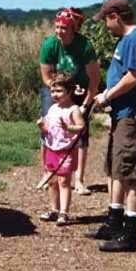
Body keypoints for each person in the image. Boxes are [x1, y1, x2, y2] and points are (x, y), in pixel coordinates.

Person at [91, 0, 136, 252]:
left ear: (115, 16)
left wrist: (107, 95)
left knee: (131, 172)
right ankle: (114, 222)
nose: (106, 26)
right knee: (117, 168)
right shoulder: (126, 40)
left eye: (106, 20)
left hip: (134, 115)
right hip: (122, 113)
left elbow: (133, 77)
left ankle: (130, 235)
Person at [38, 7, 100, 194]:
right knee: (48, 129)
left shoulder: (85, 46)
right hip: (55, 87)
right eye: (57, 27)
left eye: (64, 28)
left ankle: (79, 179)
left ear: (74, 29)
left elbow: (94, 79)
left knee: (81, 133)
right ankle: (48, 172)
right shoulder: (50, 45)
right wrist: (59, 91)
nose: (59, 31)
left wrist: (86, 104)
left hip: (80, 88)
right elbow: (46, 76)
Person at [36, 73, 85, 225]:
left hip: (66, 149)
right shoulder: (52, 109)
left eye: (59, 91)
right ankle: (54, 209)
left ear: (69, 91)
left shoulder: (74, 109)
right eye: (52, 91)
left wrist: (68, 127)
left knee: (64, 181)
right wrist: (42, 126)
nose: (55, 94)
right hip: (52, 148)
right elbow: (49, 130)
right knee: (52, 180)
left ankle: (64, 212)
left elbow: (81, 127)